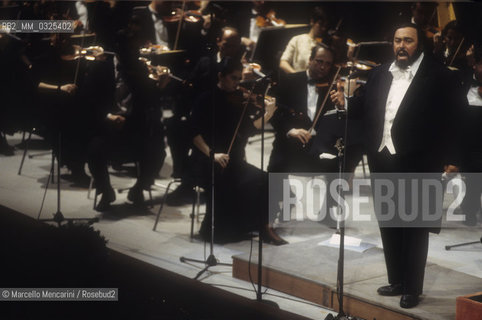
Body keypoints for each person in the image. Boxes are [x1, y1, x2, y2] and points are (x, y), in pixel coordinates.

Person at [331, 23, 463, 308]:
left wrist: (452, 159)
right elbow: (364, 108)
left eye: (408, 41)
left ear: (420, 45)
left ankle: (412, 287)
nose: (401, 46)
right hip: (382, 157)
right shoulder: (380, 73)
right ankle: (397, 280)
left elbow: (454, 120)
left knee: (414, 226)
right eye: (397, 41)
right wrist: (344, 103)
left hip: (421, 160)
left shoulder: (440, 76)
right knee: (389, 221)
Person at [190, 57, 285, 245]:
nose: (237, 83)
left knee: (265, 180)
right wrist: (212, 154)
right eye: (233, 78)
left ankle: (262, 227)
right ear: (221, 76)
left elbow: (249, 129)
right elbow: (193, 133)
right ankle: (219, 229)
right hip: (207, 160)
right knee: (226, 179)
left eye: (239, 79)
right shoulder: (205, 99)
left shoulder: (238, 102)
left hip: (233, 161)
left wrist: (268, 114)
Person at [279, 6, 329, 74]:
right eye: (320, 24)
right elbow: (283, 63)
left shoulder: (324, 46)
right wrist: (297, 77)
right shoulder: (297, 39)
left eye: (325, 26)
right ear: (312, 22)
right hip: (297, 81)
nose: (323, 29)